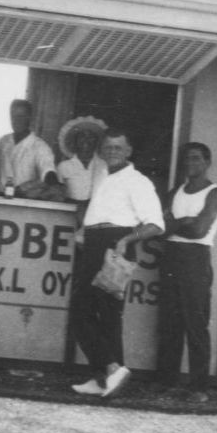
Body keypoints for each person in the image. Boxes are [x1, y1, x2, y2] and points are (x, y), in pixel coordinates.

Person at [70, 129, 164, 398]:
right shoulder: (102, 173)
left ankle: (110, 369)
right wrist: (85, 230)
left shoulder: (138, 181)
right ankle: (104, 379)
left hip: (116, 245)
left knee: (84, 312)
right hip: (95, 241)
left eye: (118, 147)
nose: (112, 151)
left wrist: (126, 241)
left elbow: (156, 224)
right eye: (108, 147)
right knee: (103, 317)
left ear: (128, 151)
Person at [157, 142, 217, 403]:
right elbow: (159, 227)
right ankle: (168, 382)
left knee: (195, 324)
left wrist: (176, 224)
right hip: (171, 257)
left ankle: (199, 387)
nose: (191, 164)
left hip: (195, 259)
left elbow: (199, 231)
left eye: (197, 159)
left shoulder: (214, 193)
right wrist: (182, 222)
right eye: (187, 159)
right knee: (170, 324)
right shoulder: (176, 192)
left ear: (207, 162)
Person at [0, 99, 58, 196]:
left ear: (30, 118)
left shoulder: (40, 146)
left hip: (24, 201)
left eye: (21, 117)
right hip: (0, 197)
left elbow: (48, 173)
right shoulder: (3, 141)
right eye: (13, 116)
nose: (16, 121)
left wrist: (29, 187)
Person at [56, 116, 108, 217]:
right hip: (69, 216)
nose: (86, 140)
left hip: (98, 216)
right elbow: (58, 196)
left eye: (91, 137)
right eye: (82, 136)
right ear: (75, 140)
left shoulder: (104, 165)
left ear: (97, 141)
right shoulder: (64, 166)